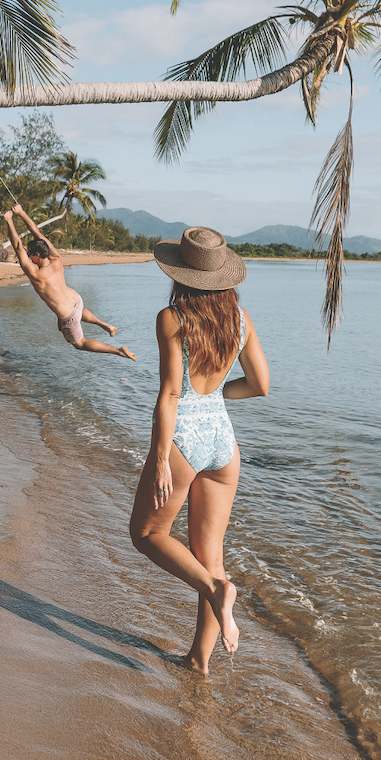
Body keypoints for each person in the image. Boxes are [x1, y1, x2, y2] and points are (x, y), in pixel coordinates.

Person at [129, 226, 269, 673]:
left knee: (148, 535)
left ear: (179, 273)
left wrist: (158, 459)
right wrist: (217, 398)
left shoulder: (172, 318)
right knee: (211, 554)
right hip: (223, 443)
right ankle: (198, 660)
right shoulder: (241, 320)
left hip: (184, 441)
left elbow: (171, 394)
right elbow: (260, 385)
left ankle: (214, 590)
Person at [3, 204, 136, 359]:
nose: (28, 256)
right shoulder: (56, 259)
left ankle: (119, 350)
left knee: (80, 343)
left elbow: (17, 245)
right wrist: (21, 212)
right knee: (78, 311)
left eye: (30, 254)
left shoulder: (36, 274)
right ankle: (107, 326)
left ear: (37, 254)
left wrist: (8, 220)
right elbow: (37, 233)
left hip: (68, 316)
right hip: (76, 299)